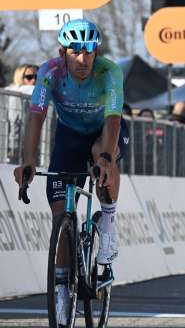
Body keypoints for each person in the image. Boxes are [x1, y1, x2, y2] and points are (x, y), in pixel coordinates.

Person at [13, 19, 128, 326]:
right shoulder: (48, 72)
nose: (83, 58)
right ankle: (63, 288)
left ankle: (108, 224)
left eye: (89, 51)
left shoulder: (109, 72)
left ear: (96, 52)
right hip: (69, 138)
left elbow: (113, 119)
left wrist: (107, 157)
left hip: (104, 133)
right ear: (62, 52)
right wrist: (28, 161)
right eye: (76, 51)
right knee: (60, 217)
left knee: (101, 158)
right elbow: (36, 117)